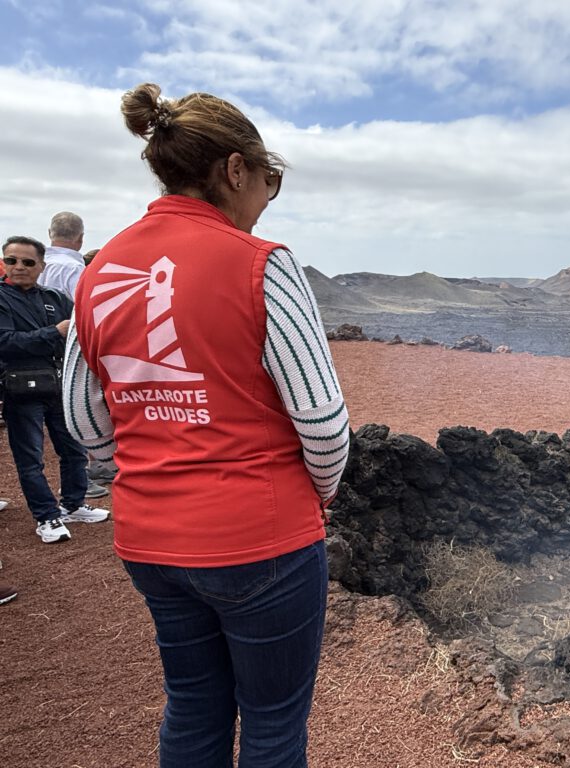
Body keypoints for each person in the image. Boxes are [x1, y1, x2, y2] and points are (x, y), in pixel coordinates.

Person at [63, 82, 351, 768]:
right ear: (234, 169)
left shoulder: (99, 271)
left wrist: (146, 462)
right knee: (274, 721)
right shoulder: (261, 264)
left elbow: (81, 417)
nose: (266, 201)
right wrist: (324, 494)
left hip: (151, 541)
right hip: (262, 536)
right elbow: (322, 421)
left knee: (193, 703)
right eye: (268, 181)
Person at [0, 236, 109, 544]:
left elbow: (82, 326)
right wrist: (53, 333)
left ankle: (73, 503)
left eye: (28, 262)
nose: (19, 267)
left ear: (41, 267)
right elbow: (5, 342)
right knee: (30, 456)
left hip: (57, 385)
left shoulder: (53, 297)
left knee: (73, 448)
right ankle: (46, 516)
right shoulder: (1, 298)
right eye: (11, 260)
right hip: (20, 390)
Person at [39, 212, 87, 299]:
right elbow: (81, 304)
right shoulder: (75, 269)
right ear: (81, 237)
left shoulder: (32, 263)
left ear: (49, 233)